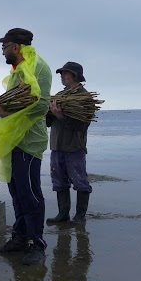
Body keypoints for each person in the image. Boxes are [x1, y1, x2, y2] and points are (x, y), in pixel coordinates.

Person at [0, 28, 52, 266]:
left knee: (30, 193)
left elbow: (41, 105)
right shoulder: (17, 72)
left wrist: (4, 112)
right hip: (13, 139)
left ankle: (38, 244)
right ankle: (20, 238)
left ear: (16, 47)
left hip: (29, 141)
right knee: (16, 191)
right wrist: (3, 110)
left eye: (4, 46)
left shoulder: (39, 67)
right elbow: (16, 103)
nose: (2, 51)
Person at [45, 61, 92, 226]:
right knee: (59, 181)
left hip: (74, 147)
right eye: (61, 73)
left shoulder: (85, 98)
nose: (62, 76)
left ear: (74, 75)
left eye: (65, 73)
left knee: (80, 182)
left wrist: (60, 116)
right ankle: (63, 214)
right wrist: (47, 112)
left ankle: (80, 217)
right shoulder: (59, 95)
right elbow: (48, 123)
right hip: (57, 146)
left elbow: (81, 126)